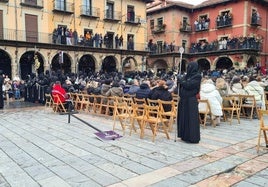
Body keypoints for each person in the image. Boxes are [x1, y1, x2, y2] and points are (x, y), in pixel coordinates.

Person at [177, 62, 202, 143]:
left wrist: (181, 81)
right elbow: (181, 86)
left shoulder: (197, 76)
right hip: (183, 99)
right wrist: (178, 81)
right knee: (183, 118)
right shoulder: (186, 76)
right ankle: (184, 135)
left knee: (191, 119)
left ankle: (192, 137)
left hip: (191, 100)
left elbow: (189, 85)